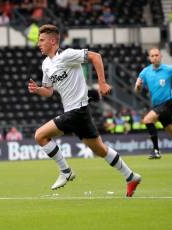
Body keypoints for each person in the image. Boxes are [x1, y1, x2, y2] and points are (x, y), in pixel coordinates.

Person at [28, 24, 141, 197]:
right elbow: (49, 91)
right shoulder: (45, 64)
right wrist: (38, 90)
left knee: (40, 135)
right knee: (100, 149)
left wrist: (102, 83)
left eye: (42, 40)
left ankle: (65, 171)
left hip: (77, 111)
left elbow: (96, 57)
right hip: (77, 112)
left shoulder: (66, 55)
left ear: (52, 41)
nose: (39, 44)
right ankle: (131, 176)